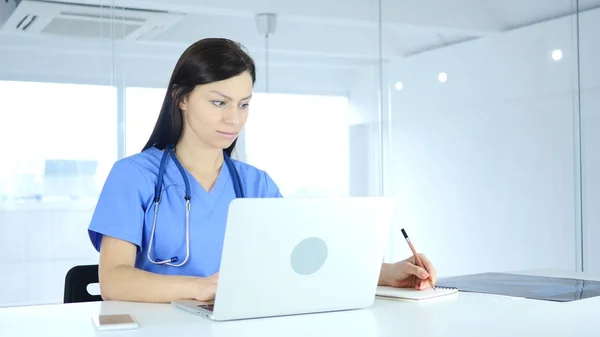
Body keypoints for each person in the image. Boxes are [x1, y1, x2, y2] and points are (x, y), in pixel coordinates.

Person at [87, 37, 437, 303]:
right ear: (181, 97)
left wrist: (388, 274)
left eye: (244, 104)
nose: (234, 119)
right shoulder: (134, 176)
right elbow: (114, 281)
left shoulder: (255, 184)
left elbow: (305, 259)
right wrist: (202, 287)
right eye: (218, 102)